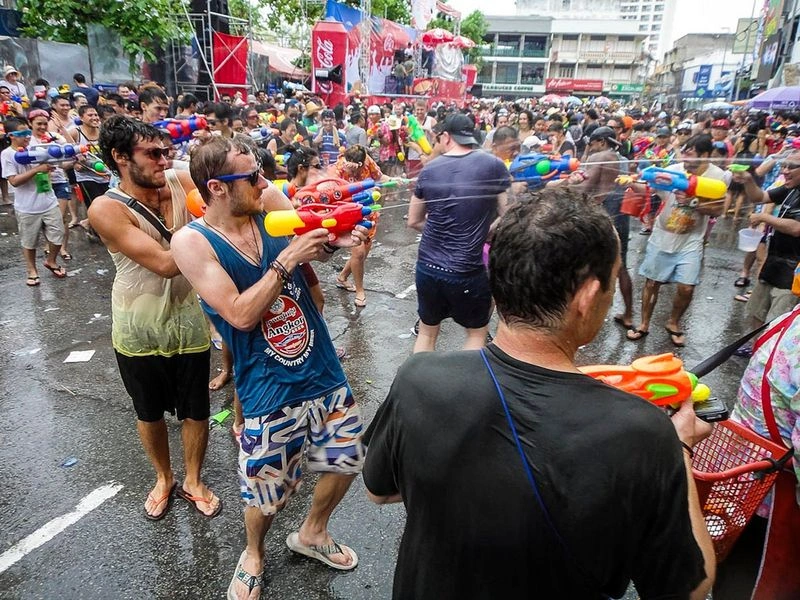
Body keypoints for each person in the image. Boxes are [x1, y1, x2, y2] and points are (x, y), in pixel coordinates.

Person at [364, 189, 716, 600]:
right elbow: (687, 587)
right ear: (586, 296)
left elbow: (377, 489)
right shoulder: (645, 434)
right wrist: (680, 448)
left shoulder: (419, 378)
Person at [170, 136, 368, 600]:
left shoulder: (271, 202)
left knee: (345, 460)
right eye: (252, 177)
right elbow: (238, 313)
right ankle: (253, 553)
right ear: (217, 188)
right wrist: (288, 258)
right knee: (265, 492)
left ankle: (313, 533)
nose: (265, 182)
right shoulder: (192, 242)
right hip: (267, 387)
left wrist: (336, 240)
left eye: (262, 172)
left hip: (322, 369)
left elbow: (315, 246)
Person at [87, 115, 219, 521]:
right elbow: (165, 263)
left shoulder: (179, 180)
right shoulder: (105, 209)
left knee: (196, 409)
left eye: (167, 151)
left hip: (189, 322)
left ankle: (193, 479)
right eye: (153, 153)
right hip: (137, 329)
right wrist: (216, 227)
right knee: (148, 412)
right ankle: (164, 477)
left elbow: (223, 186)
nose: (165, 159)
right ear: (120, 157)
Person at [408, 113, 510, 351]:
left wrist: (441, 230)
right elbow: (508, 212)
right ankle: (466, 387)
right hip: (467, 270)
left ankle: (418, 385)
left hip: (428, 267)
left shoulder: (430, 169)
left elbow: (413, 221)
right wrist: (488, 231)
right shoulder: (493, 164)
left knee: (426, 332)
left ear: (445, 137)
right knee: (476, 335)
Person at [627, 134, 727, 347]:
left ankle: (673, 322)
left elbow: (719, 208)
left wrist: (694, 203)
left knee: (687, 288)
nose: (686, 159)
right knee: (652, 282)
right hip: (663, 235)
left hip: (691, 238)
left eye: (692, 155)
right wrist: (631, 180)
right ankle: (644, 324)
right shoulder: (673, 170)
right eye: (685, 153)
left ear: (707, 155)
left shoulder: (718, 176)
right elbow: (649, 190)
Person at [555, 125, 634, 329]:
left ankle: (584, 310)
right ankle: (628, 313)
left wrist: (563, 184)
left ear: (601, 142)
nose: (590, 146)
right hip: (619, 213)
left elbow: (584, 186)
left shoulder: (599, 157)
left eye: (592, 143)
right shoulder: (621, 158)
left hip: (603, 212)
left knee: (587, 263)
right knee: (621, 264)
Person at [732, 151, 800, 332]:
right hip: (774, 260)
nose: (785, 171)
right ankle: (757, 348)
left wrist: (764, 217)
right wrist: (748, 179)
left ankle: (770, 356)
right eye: (784, 166)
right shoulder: (789, 189)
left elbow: (796, 228)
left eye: (791, 167)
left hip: (793, 270)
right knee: (757, 311)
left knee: (779, 319)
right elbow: (759, 197)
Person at [1, 117, 67, 286]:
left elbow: (57, 163)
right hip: (27, 206)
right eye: (21, 133)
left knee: (58, 236)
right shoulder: (7, 154)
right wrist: (38, 169)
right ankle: (31, 269)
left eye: (27, 132)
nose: (27, 136)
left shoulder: (36, 148)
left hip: (48, 201)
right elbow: (13, 181)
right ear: (11, 136)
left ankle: (51, 261)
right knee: (29, 241)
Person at [332, 145, 390, 306]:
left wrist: (392, 181)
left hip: (369, 214)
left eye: (361, 167)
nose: (358, 172)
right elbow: (332, 194)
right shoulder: (337, 169)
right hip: (349, 215)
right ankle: (360, 291)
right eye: (355, 169)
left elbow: (379, 177)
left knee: (362, 254)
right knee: (358, 253)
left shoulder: (367, 162)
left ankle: (342, 277)